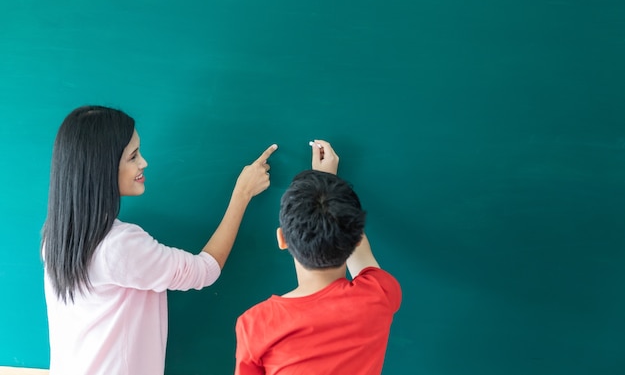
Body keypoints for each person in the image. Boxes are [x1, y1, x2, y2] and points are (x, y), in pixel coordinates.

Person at [41, 105, 278, 375]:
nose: (144, 163)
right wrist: (242, 194)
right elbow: (205, 270)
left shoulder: (57, 236)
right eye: (133, 156)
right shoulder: (119, 245)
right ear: (102, 167)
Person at [234, 140, 402, 375]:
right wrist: (326, 186)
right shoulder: (379, 295)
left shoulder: (256, 324)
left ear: (281, 239)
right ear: (354, 239)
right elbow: (361, 251)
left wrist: (322, 187)